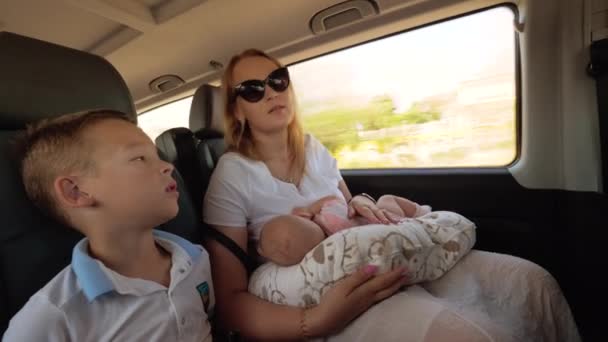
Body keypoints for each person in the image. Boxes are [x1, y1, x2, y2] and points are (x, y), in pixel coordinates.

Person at [203, 49, 582, 341]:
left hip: (389, 256)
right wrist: (312, 322)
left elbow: (349, 210)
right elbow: (230, 302)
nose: (270, 92)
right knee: (467, 335)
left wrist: (362, 201)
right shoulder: (232, 175)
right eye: (253, 89)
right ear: (237, 110)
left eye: (277, 79)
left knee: (534, 283)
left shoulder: (314, 148)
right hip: (331, 297)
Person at [3, 110, 215, 341]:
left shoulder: (195, 260)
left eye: (157, 155)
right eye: (138, 158)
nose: (167, 166)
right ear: (75, 191)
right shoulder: (53, 316)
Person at [258, 195, 432, 266]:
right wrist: (311, 208)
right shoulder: (326, 213)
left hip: (388, 234)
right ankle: (422, 214)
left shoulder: (336, 246)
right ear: (302, 217)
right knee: (386, 200)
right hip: (389, 219)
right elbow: (336, 198)